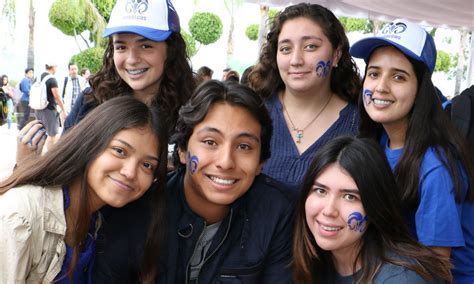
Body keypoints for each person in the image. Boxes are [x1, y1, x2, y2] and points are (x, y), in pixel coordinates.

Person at [92, 80, 296, 283]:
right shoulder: (136, 211)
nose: (226, 162)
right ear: (182, 150)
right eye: (210, 142)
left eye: (244, 147)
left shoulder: (278, 212)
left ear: (261, 161)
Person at [351, 18, 474, 283]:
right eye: (373, 73)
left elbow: (438, 267)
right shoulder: (380, 141)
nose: (381, 86)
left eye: (398, 76)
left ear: (421, 89)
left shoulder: (435, 165)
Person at [0, 96, 168, 283]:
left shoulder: (99, 221)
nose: (130, 172)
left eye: (147, 165)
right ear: (90, 143)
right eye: (120, 151)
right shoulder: (20, 217)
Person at [16, 0, 195, 163]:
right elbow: (63, 163)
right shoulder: (92, 100)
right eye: (121, 47)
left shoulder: (192, 110)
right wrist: (25, 165)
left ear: (170, 50)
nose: (132, 59)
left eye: (145, 46)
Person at [293, 136, 452, 283]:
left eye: (350, 197)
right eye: (321, 191)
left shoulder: (401, 279)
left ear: (375, 206)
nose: (329, 210)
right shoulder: (318, 260)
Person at [249, 3, 361, 190]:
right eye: (285, 48)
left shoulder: (360, 124)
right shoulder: (252, 113)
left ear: (336, 54)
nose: (296, 60)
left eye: (310, 47)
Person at [36, 62, 68, 151]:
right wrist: (64, 110)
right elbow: (57, 96)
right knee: (52, 135)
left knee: (40, 133)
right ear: (53, 67)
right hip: (49, 110)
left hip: (38, 109)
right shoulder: (52, 79)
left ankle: (39, 154)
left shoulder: (38, 77)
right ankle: (50, 157)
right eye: (56, 66)